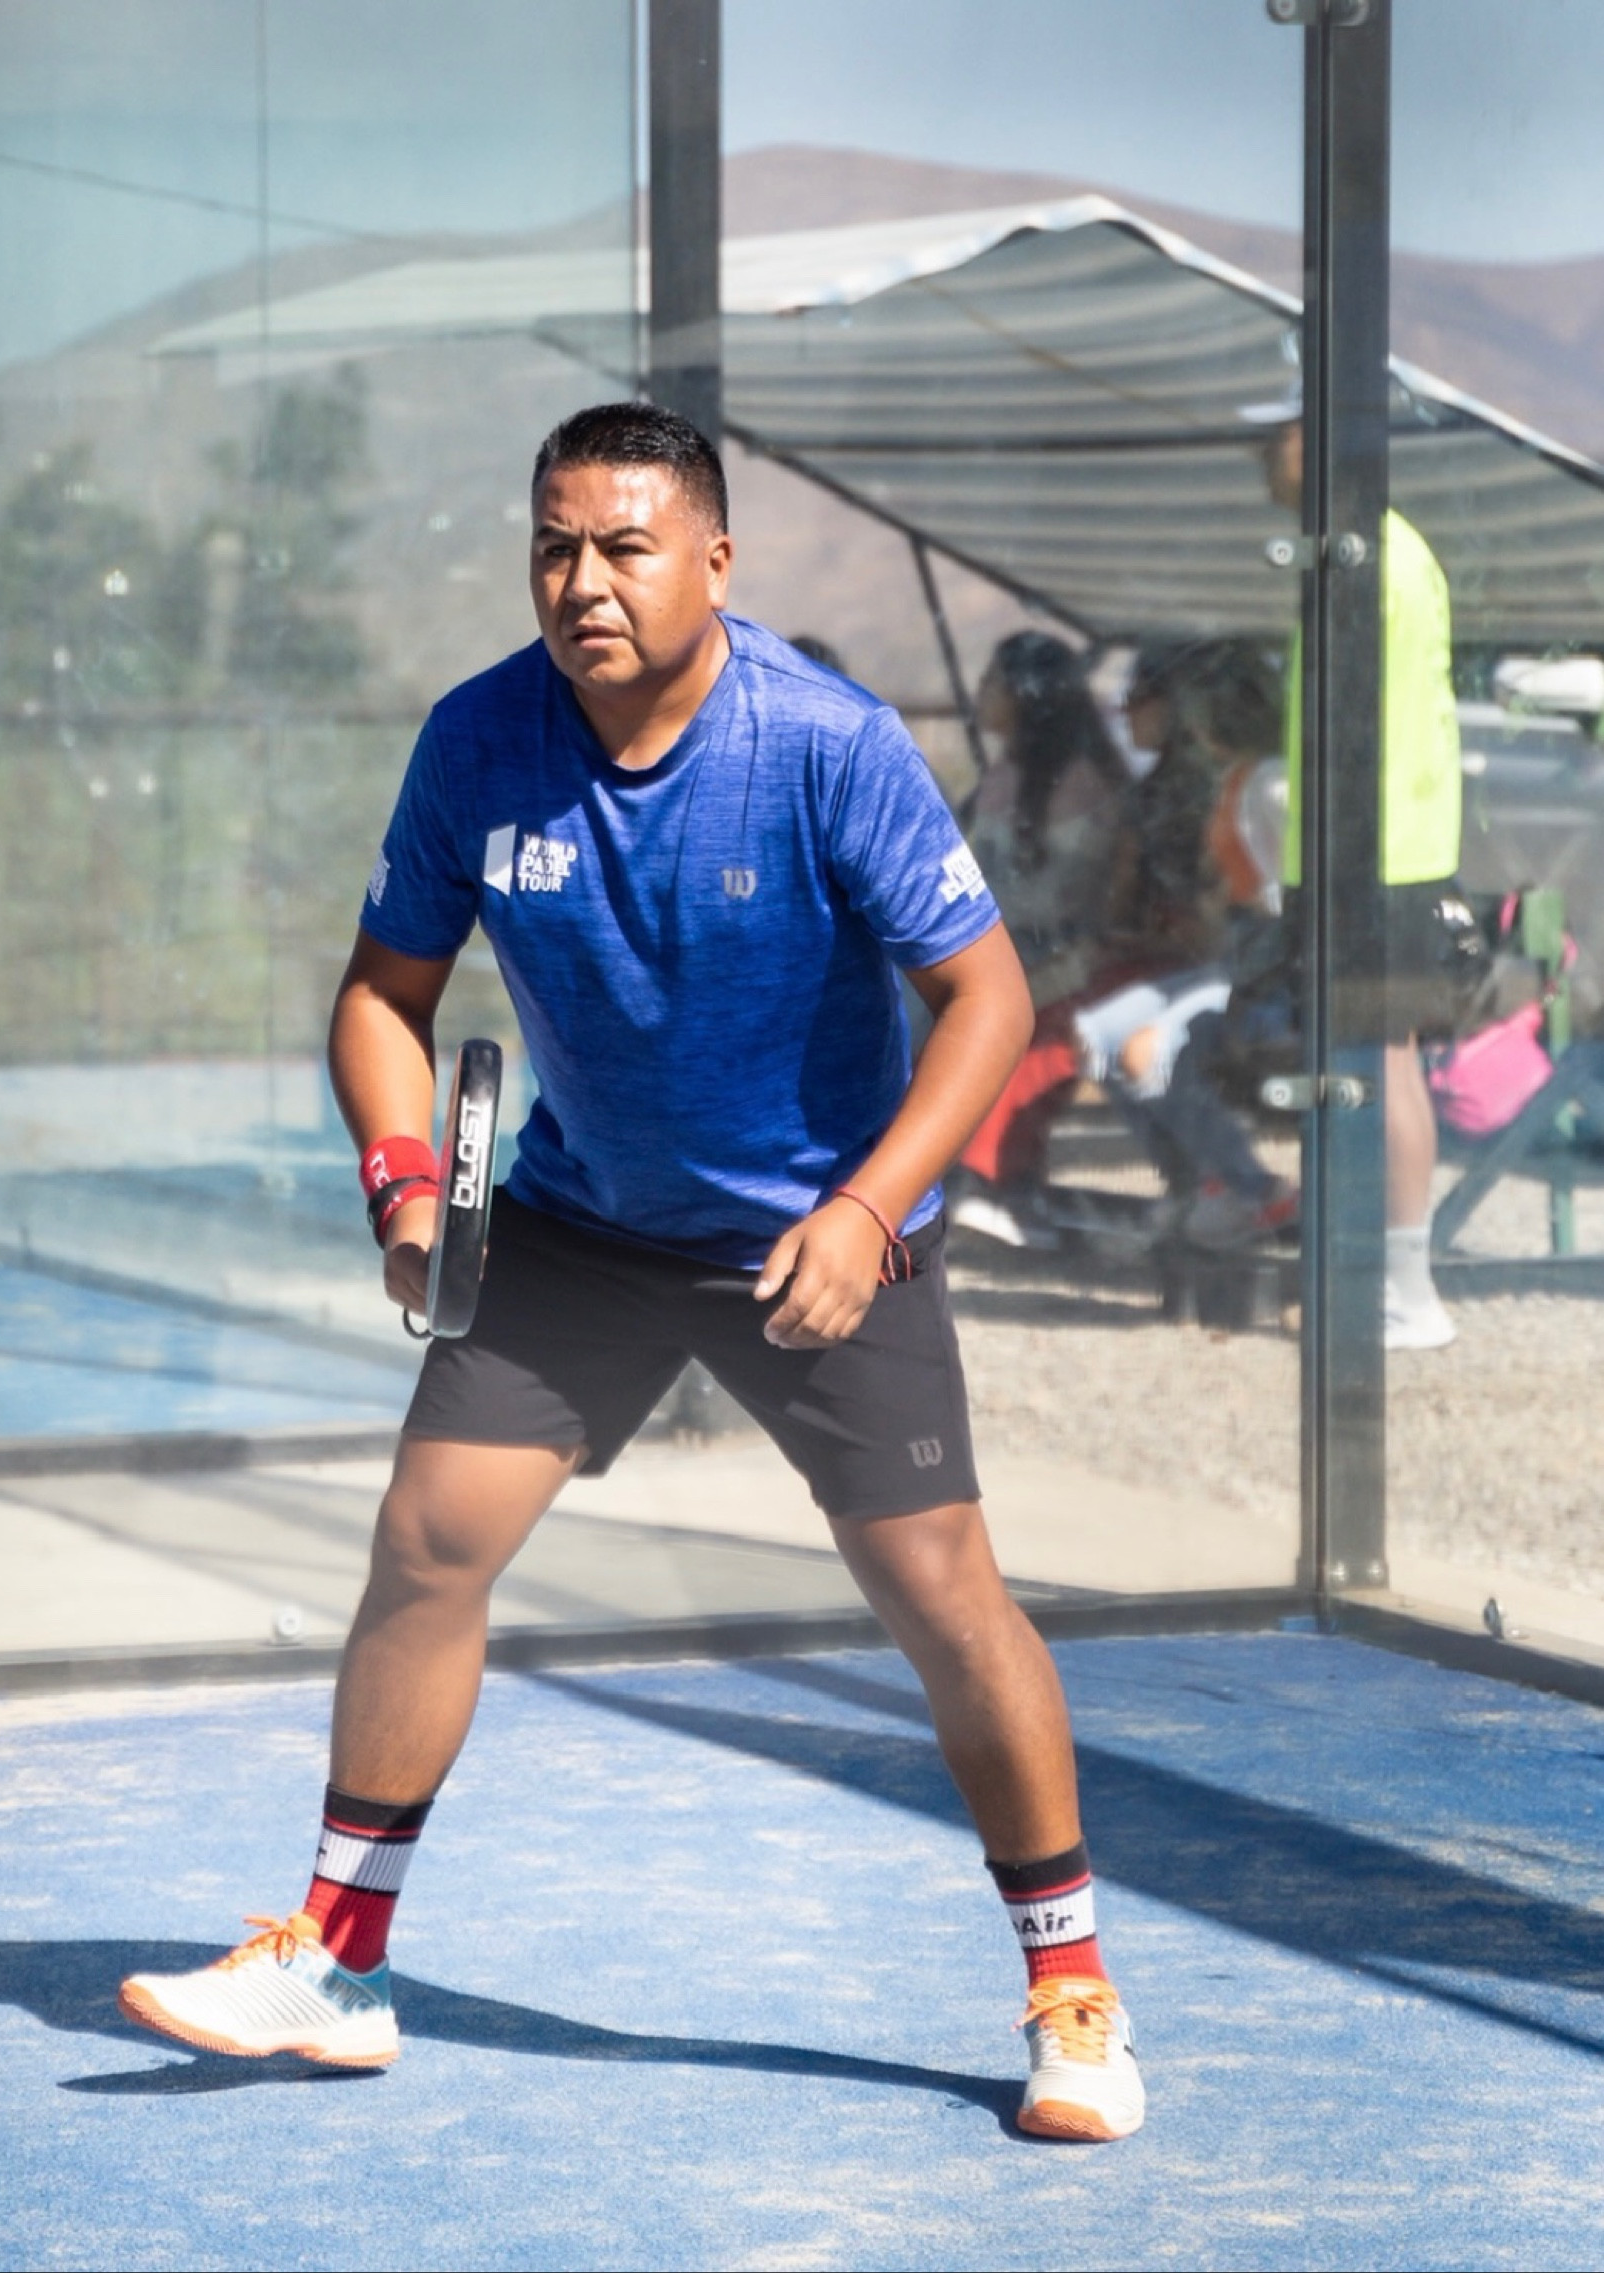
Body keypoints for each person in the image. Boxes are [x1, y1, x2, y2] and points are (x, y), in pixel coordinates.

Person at [117, 402, 1147, 2142]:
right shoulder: (477, 739)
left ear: (714, 562)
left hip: (823, 1235)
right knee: (427, 1541)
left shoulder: (826, 744)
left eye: (623, 546)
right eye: (553, 547)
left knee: (942, 1594)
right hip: (582, 1225)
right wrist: (403, 1190)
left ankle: (1075, 1997)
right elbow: (383, 995)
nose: (582, 581)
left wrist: (869, 1212)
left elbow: (989, 1001)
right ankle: (339, 1965)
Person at [1254, 407, 1465, 1348]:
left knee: (1377, 1065)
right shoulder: (1372, 550)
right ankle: (1389, 1279)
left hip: (1372, 857)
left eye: (1282, 435)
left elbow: (1356, 718)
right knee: (1380, 1062)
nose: (1265, 456)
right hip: (1373, 852)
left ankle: (1405, 1289)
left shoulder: (1365, 557)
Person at [1072, 639, 1300, 1245]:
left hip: (1265, 967)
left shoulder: (1271, 784)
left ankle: (1253, 1190)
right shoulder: (1236, 780)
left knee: (1149, 1050)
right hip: (1234, 955)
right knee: (1099, 1035)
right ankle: (1203, 1182)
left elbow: (1290, 896)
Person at [949, 634, 1124, 1246]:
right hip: (1002, 951)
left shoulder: (1078, 785)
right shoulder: (1005, 778)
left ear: (1028, 696)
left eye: (993, 683)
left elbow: (1068, 898)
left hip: (1061, 960)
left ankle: (993, 1180)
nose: (982, 695)